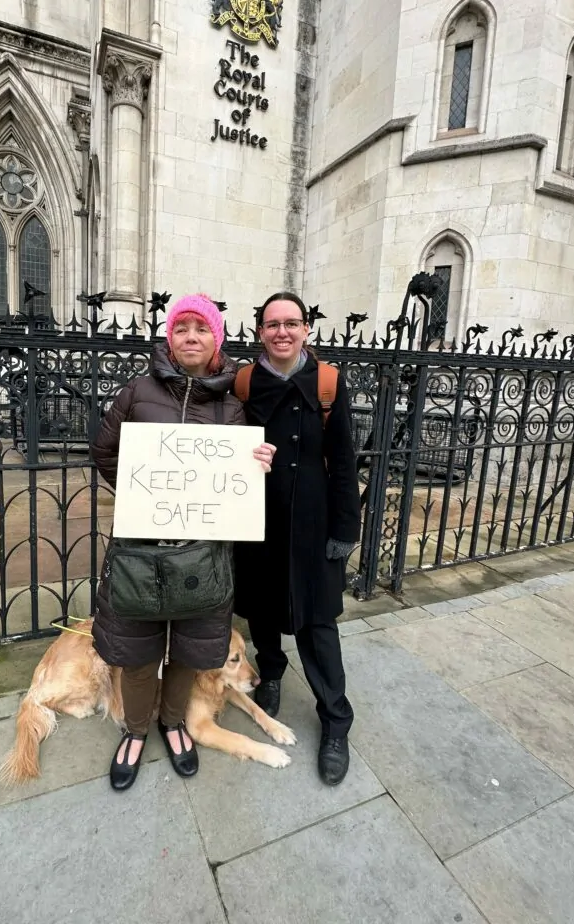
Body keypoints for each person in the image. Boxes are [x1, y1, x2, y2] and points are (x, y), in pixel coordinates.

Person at [91, 294, 275, 792]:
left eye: (201, 328)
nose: (191, 336)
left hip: (203, 553)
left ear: (216, 338)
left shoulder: (232, 405)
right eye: (181, 327)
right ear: (169, 336)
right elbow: (105, 450)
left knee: (189, 649)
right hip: (141, 547)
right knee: (139, 648)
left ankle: (173, 724)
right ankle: (134, 731)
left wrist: (256, 461)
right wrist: (143, 491)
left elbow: (240, 472)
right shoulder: (138, 390)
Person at [233, 292, 361, 785]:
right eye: (272, 324)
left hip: (313, 522)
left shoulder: (327, 382)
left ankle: (335, 721)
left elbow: (346, 459)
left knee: (318, 625)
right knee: (263, 609)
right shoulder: (244, 381)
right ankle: (270, 673)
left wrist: (345, 530)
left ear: (306, 328)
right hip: (258, 518)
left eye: (291, 323)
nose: (281, 332)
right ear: (260, 331)